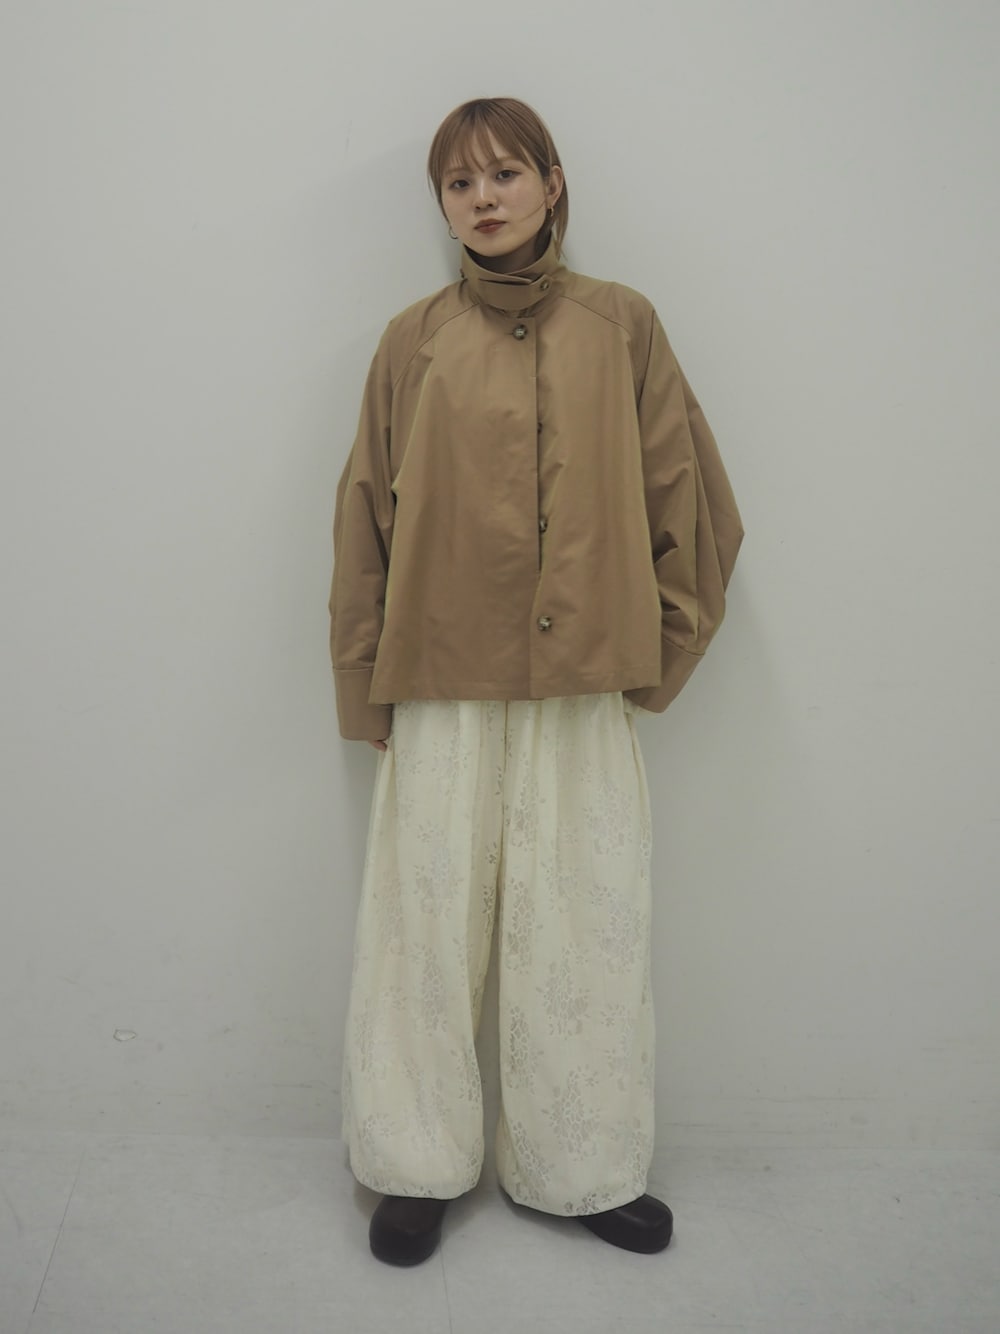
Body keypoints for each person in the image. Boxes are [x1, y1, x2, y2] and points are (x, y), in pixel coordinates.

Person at [329, 97, 743, 1267]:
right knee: (423, 930)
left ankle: (581, 1163)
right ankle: (414, 1162)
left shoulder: (622, 324)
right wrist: (364, 683)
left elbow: (690, 496)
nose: (484, 198)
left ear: (552, 183)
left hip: (581, 680)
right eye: (459, 183)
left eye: (505, 173)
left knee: (585, 926)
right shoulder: (411, 340)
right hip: (439, 677)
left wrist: (661, 649)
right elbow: (363, 516)